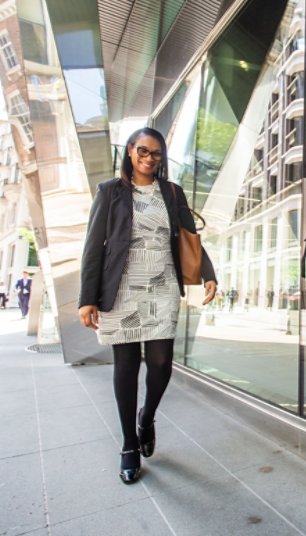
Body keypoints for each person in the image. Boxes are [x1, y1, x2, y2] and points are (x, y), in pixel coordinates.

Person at [78, 127, 217, 485]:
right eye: (143, 150)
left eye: (156, 153)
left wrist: (208, 273)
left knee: (160, 364)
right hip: (121, 288)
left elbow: (191, 238)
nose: (149, 158)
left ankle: (147, 415)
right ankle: (128, 445)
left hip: (162, 287)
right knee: (125, 365)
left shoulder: (172, 192)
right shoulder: (110, 192)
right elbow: (94, 246)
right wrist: (87, 299)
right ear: (129, 151)